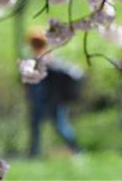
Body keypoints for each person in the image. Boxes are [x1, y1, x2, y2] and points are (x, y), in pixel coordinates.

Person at [24, 29, 82, 157]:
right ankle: (35, 153)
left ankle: (76, 150)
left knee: (54, 126)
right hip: (48, 99)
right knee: (54, 126)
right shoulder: (50, 58)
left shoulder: (44, 60)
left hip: (47, 99)